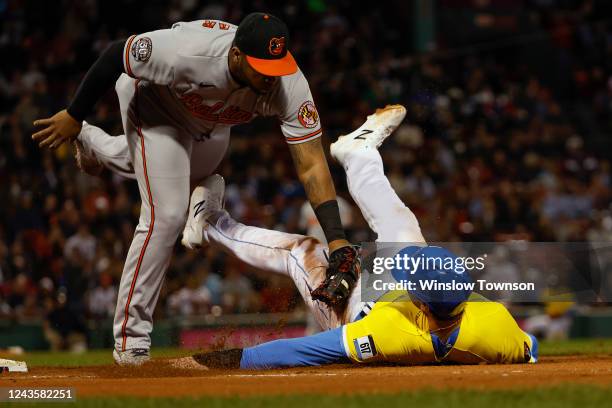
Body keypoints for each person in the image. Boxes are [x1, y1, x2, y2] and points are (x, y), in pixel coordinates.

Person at [31, 13, 357, 365]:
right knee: (166, 214)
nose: (270, 76)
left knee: (158, 169)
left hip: (211, 124)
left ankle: (95, 143)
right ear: (235, 56)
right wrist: (74, 114)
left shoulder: (287, 82)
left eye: (276, 66)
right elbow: (115, 54)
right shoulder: (186, 52)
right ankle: (132, 340)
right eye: (261, 67)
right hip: (155, 106)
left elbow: (311, 163)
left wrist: (337, 239)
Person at [172, 105, 538, 370]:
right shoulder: (493, 322)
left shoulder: (387, 332)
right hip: (401, 303)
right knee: (406, 230)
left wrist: (193, 365)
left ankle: (210, 223)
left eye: (412, 278)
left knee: (304, 248)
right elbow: (529, 346)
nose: (405, 268)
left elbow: (296, 353)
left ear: (422, 303)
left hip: (350, 313)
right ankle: (359, 155)